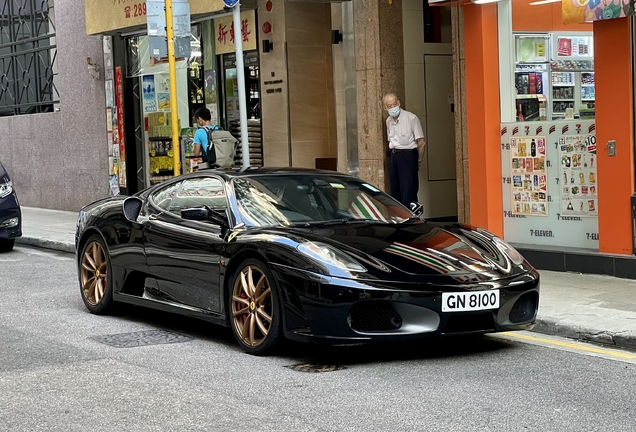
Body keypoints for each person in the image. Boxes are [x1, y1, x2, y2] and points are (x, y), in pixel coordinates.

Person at [383, 92, 426, 207]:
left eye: (394, 104)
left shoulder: (411, 118)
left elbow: (421, 143)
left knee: (409, 191)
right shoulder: (388, 121)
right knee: (395, 191)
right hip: (393, 156)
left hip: (408, 155)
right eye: (389, 106)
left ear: (399, 103)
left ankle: (411, 219)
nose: (393, 108)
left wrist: (418, 161)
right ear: (385, 107)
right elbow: (390, 141)